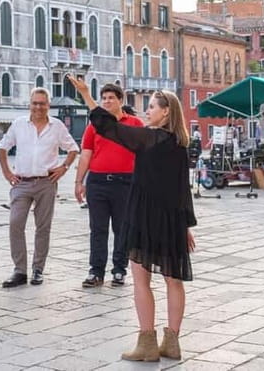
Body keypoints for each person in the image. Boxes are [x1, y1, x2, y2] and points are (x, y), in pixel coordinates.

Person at [69, 75, 196, 362]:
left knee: (141, 280)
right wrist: (186, 225)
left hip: (143, 216)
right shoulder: (179, 144)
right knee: (173, 281)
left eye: (151, 106)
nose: (147, 111)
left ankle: (147, 343)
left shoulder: (149, 138)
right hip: (172, 219)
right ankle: (172, 343)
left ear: (166, 112)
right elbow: (182, 189)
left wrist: (88, 96)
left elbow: (108, 127)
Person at [0, 87, 79, 288]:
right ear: (30, 104)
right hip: (22, 182)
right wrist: (7, 173)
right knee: (16, 224)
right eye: (35, 103)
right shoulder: (19, 124)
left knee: (43, 227)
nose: (38, 107)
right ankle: (19, 270)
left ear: (48, 105)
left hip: (46, 182)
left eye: (42, 103)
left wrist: (64, 167)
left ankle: (37, 269)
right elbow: (2, 148)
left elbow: (73, 149)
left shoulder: (57, 126)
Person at [74, 83, 143, 288]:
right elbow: (86, 154)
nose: (106, 101)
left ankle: (119, 270)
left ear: (120, 100)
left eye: (111, 98)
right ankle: (96, 271)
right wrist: (79, 181)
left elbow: (143, 154)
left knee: (121, 228)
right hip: (97, 182)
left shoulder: (135, 123)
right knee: (97, 228)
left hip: (125, 183)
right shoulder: (93, 126)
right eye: (103, 98)